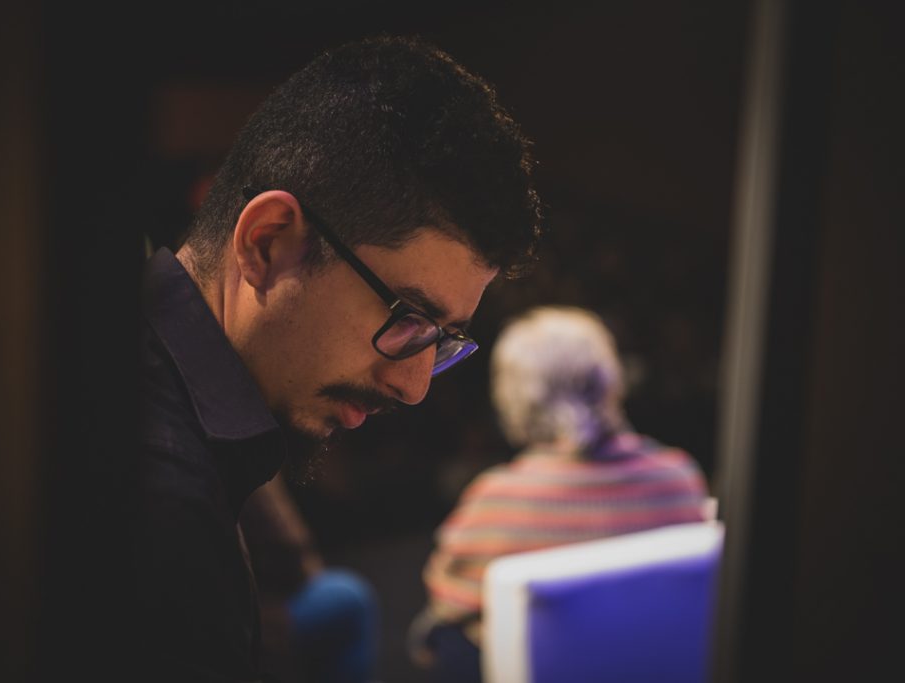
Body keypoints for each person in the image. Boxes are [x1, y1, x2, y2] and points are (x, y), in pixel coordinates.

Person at [132, 35, 542, 682]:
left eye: (443, 338)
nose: (415, 386)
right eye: (407, 316)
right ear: (267, 242)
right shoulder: (163, 506)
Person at [411, 307, 711, 682]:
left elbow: (448, 597)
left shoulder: (495, 498)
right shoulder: (679, 478)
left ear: (513, 397)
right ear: (611, 380)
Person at [240, 474, 379, 683]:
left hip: (207, 630)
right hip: (248, 624)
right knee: (349, 596)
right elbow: (286, 550)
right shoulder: (238, 458)